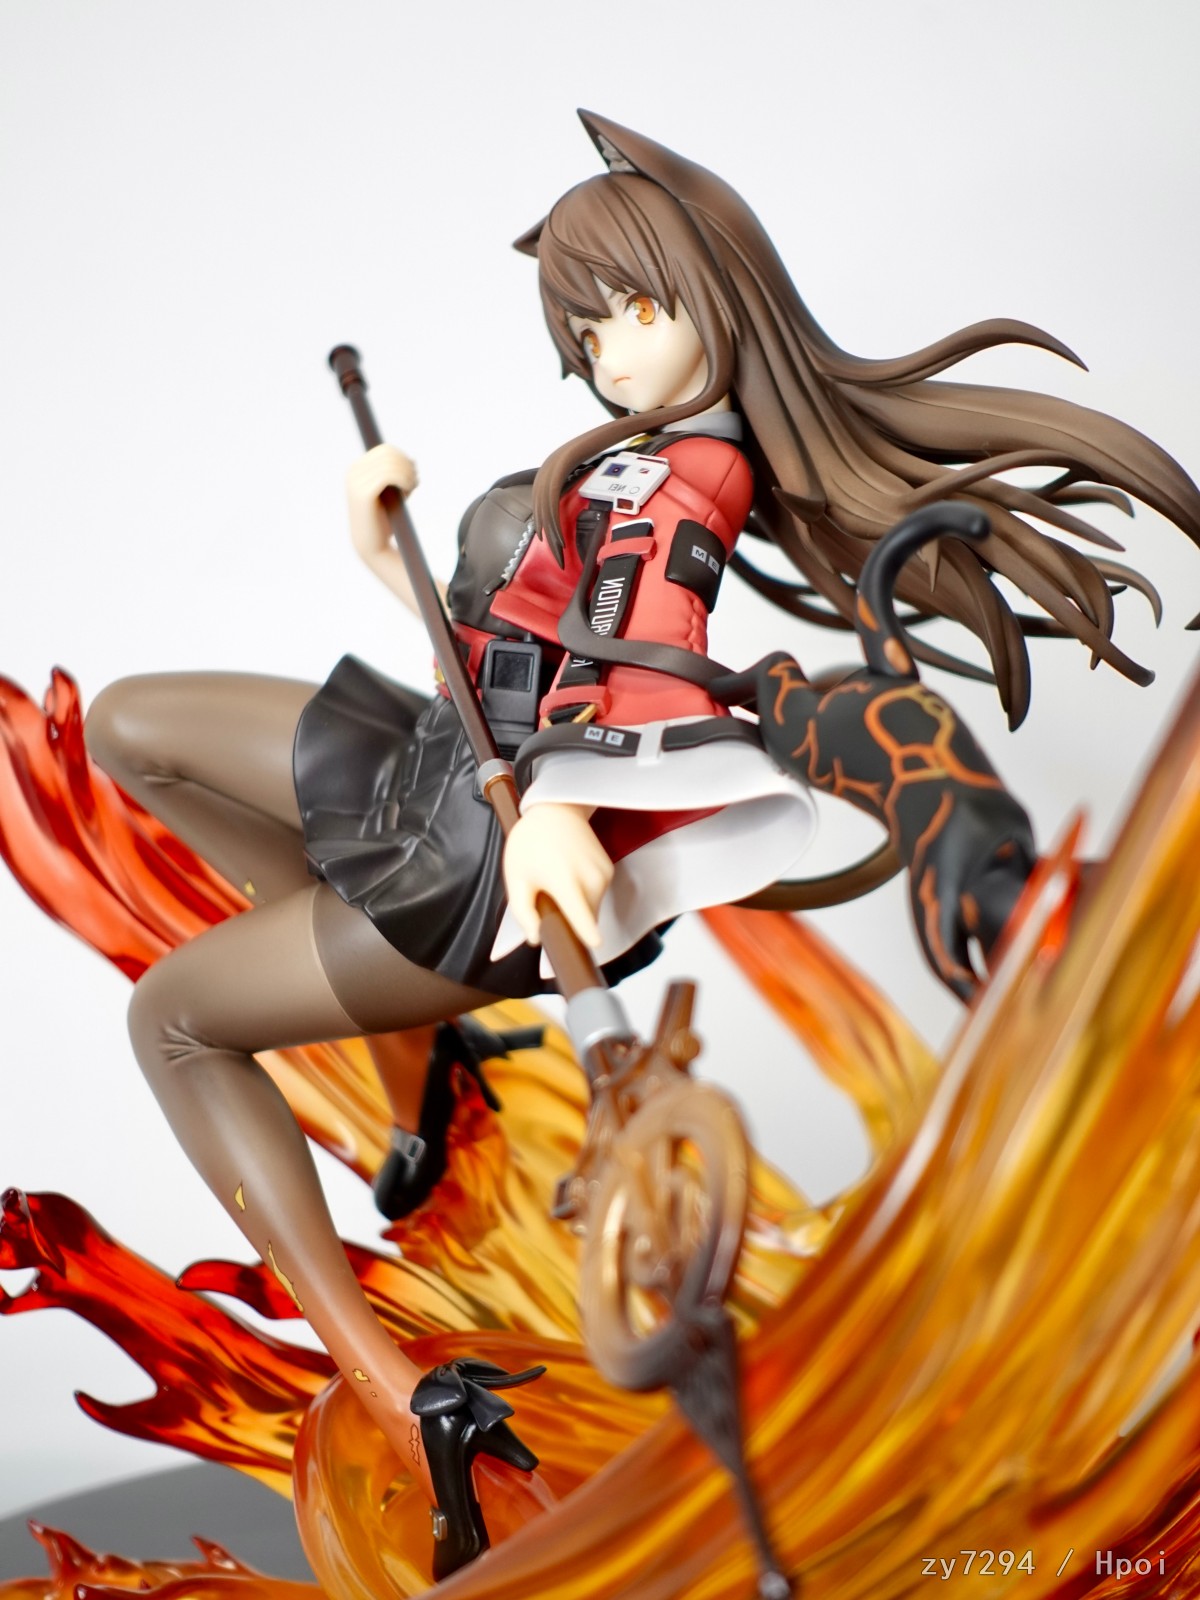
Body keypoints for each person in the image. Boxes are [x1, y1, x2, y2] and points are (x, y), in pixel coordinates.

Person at [67, 111, 1200, 1577]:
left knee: (171, 1022)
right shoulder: (627, 454)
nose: (605, 350)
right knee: (132, 727)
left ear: (711, 299)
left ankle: (401, 1399)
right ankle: (416, 1063)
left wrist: (555, 815)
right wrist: (378, 541)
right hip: (443, 754)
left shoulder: (690, 480)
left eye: (631, 312)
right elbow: (523, 625)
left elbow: (634, 654)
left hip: (483, 852)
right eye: (585, 326)